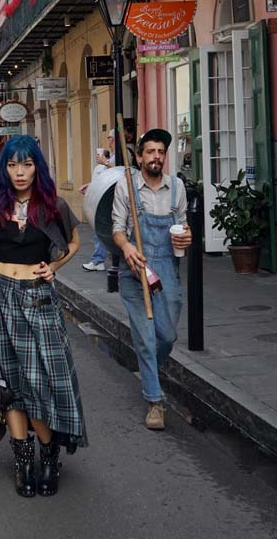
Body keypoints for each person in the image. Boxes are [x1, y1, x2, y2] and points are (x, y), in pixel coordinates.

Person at [0, 135, 87, 498]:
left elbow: (74, 243)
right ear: (4, 168)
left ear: (38, 167)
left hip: (38, 301)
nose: (20, 172)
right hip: (0, 298)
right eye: (13, 165)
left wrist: (53, 266)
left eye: (27, 164)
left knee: (39, 385)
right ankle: (23, 460)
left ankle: (49, 456)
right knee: (10, 385)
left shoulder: (52, 206)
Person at [112, 128, 192, 430]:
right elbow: (117, 228)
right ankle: (155, 401)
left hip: (166, 268)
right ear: (140, 156)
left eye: (161, 152)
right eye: (150, 152)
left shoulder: (177, 187)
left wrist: (187, 238)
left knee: (167, 336)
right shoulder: (127, 187)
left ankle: (149, 372)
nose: (156, 157)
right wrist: (127, 246)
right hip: (135, 268)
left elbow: (183, 226)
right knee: (145, 339)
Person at [81, 129, 115, 272]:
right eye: (109, 139)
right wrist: (90, 186)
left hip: (112, 199)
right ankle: (99, 260)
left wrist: (105, 162)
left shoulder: (118, 155)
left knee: (101, 228)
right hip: (106, 197)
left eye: (111, 138)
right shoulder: (112, 156)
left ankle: (100, 260)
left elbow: (122, 170)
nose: (109, 142)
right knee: (100, 229)